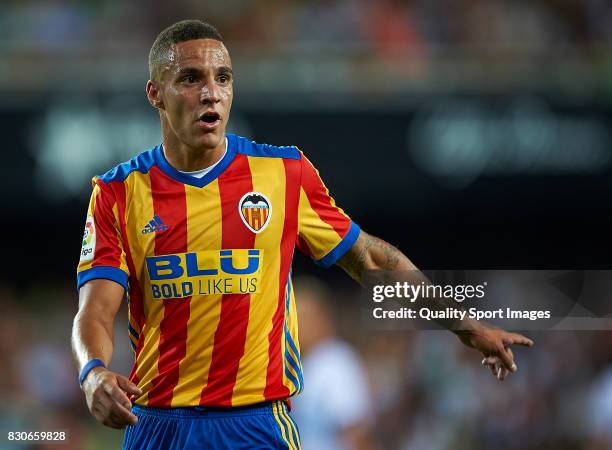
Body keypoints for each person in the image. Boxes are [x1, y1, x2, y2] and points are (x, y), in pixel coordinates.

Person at [71, 19, 534, 450]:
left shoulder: (282, 173)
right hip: (158, 425)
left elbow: (371, 259)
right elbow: (95, 310)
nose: (211, 93)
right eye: (191, 78)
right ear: (156, 93)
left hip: (256, 424)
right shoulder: (118, 192)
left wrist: (466, 325)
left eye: (224, 78)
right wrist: (92, 372)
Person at [291, 277, 374, 450]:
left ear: (322, 317)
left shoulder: (336, 362)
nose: (295, 327)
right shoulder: (308, 363)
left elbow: (357, 432)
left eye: (302, 318)